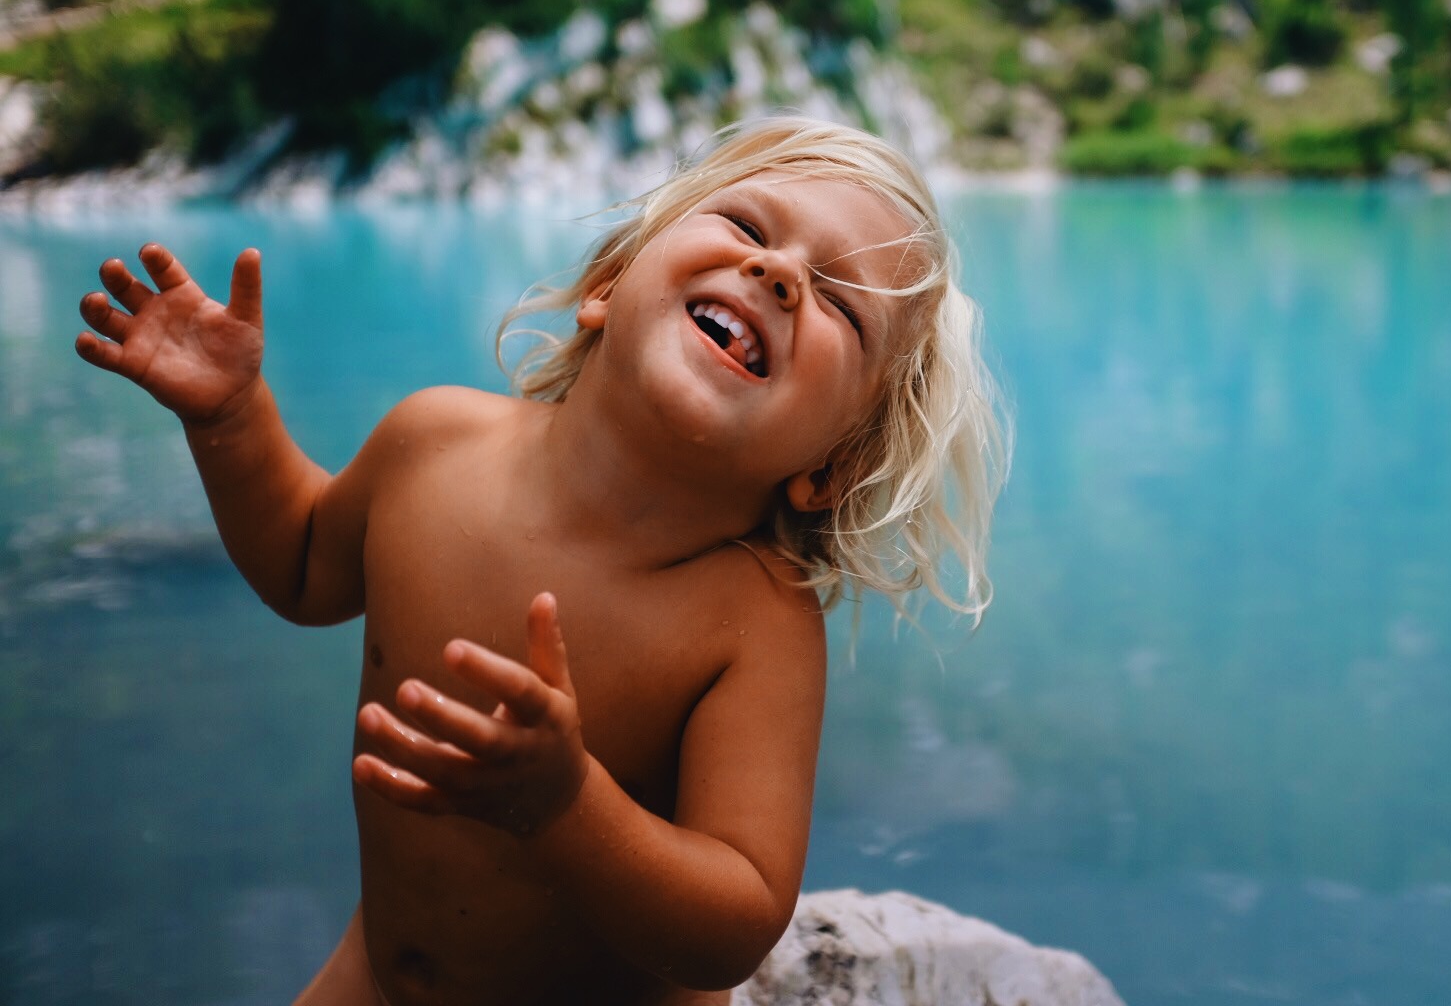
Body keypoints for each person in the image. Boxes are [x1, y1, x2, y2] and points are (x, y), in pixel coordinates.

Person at [72, 117, 1006, 1005]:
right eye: (746, 224)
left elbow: (737, 918)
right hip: (376, 980)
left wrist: (569, 805)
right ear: (610, 280)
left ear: (833, 468)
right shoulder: (433, 441)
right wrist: (231, 420)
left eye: (839, 300)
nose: (779, 271)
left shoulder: (752, 619)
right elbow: (308, 567)